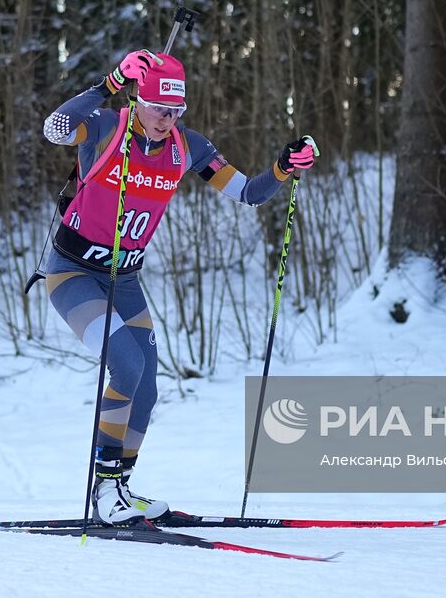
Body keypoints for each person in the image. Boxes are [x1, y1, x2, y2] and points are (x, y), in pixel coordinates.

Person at [41, 49, 316, 524]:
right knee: (124, 366)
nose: (166, 119)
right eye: (157, 108)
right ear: (137, 101)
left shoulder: (188, 148)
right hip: (73, 274)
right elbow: (55, 130)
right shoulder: (106, 126)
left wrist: (282, 169)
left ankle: (121, 488)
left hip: (124, 279)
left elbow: (248, 192)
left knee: (145, 388)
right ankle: (103, 491)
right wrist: (109, 83)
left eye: (175, 111)